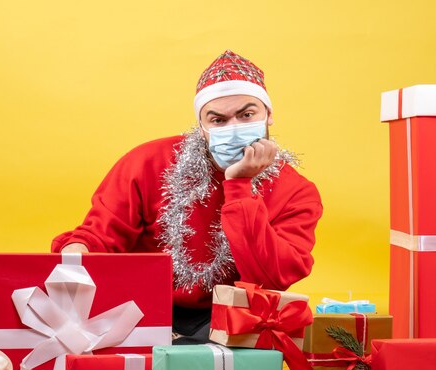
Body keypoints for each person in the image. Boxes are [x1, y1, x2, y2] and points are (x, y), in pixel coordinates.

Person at [52, 50, 323, 344]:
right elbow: (100, 236)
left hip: (230, 318)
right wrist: (76, 256)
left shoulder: (296, 191)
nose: (233, 129)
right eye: (218, 120)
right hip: (141, 309)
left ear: (268, 114)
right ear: (201, 125)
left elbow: (272, 278)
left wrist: (239, 184)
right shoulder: (148, 162)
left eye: (247, 115)